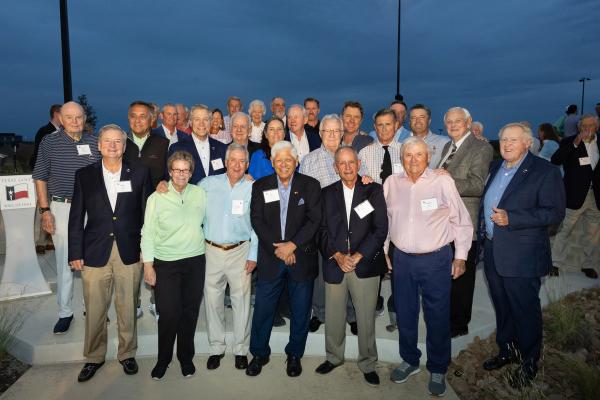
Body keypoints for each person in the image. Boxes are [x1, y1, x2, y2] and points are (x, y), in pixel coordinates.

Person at [385, 137, 473, 397]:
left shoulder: (442, 181)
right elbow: (386, 220)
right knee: (405, 312)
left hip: (436, 260)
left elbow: (461, 220)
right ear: (401, 158)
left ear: (428, 157)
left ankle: (437, 367)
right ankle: (410, 360)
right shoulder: (391, 183)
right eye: (408, 155)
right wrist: (384, 251)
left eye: (419, 155)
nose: (413, 160)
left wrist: (461, 256)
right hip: (402, 259)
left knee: (437, 315)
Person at [480, 123, 565, 389]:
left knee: (525, 310)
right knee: (502, 305)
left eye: (513, 140)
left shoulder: (545, 171)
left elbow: (554, 213)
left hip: (522, 255)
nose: (506, 144)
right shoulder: (496, 166)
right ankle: (508, 350)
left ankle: (529, 362)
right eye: (504, 139)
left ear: (528, 143)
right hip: (493, 250)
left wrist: (513, 218)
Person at [68, 124, 152, 382]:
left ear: (125, 146)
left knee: (128, 306)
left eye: (118, 141)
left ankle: (127, 353)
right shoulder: (85, 175)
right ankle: (94, 357)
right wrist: (75, 251)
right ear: (99, 145)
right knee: (95, 308)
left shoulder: (140, 173)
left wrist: (146, 250)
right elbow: (76, 217)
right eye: (107, 141)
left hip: (130, 250)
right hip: (94, 251)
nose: (113, 145)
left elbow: (148, 215)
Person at [246, 141, 321, 378]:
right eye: (279, 160)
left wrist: (292, 246)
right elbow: (257, 219)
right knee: (263, 309)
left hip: (301, 257)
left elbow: (314, 220)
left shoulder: (310, 185)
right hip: (271, 257)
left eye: (288, 159)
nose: (284, 164)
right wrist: (278, 248)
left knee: (300, 311)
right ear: (272, 163)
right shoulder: (260, 186)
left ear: (296, 161)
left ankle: (295, 355)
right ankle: (259, 353)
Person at [315, 146, 388, 386]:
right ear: (335, 168)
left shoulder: (373, 190)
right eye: (342, 163)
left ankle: (368, 363)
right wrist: (337, 256)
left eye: (351, 162)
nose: (347, 167)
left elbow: (380, 229)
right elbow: (321, 230)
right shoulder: (326, 194)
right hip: (335, 263)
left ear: (358, 164)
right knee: (334, 317)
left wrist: (357, 256)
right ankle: (333, 357)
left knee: (365, 318)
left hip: (364, 264)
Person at [33, 101, 101, 334]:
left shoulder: (95, 141)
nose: (75, 121)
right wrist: (45, 211)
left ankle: (91, 308)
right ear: (61, 119)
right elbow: (40, 177)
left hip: (92, 209)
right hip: (62, 207)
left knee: (93, 261)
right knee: (65, 261)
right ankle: (65, 312)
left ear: (85, 118)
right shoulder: (49, 142)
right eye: (69, 117)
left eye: (79, 117)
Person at [141, 151, 207, 380]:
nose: (181, 174)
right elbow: (147, 233)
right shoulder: (156, 197)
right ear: (169, 172)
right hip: (165, 263)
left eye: (185, 170)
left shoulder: (200, 194)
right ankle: (163, 359)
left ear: (191, 172)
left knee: (189, 313)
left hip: (195, 261)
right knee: (169, 314)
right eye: (177, 170)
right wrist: (148, 266)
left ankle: (185, 358)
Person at [300, 114, 367, 334]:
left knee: (350, 272)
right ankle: (319, 313)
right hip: (322, 228)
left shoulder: (352, 155)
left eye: (336, 131)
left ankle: (352, 315)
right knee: (321, 275)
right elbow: (303, 196)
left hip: (350, 227)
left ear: (341, 133)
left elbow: (364, 183)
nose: (332, 135)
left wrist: (366, 179)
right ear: (320, 133)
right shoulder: (309, 160)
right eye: (327, 131)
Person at [200, 143, 258, 371]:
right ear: (225, 162)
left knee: (241, 302)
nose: (236, 165)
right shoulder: (207, 184)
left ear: (247, 164)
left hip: (240, 251)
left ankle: (241, 349)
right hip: (211, 251)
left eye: (242, 161)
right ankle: (216, 347)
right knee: (212, 301)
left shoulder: (253, 188)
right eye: (232, 160)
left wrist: (253, 255)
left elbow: (257, 226)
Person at [438, 107, 493, 338]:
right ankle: (447, 317)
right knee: (448, 274)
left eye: (457, 121)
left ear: (468, 122)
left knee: (462, 276)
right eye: (449, 122)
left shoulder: (481, 147)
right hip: (444, 223)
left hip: (465, 222)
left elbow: (477, 185)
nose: (452, 125)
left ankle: (459, 325)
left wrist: (447, 180)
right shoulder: (447, 147)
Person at [550, 114, 599, 279]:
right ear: (579, 127)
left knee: (593, 234)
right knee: (564, 230)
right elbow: (556, 160)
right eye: (583, 126)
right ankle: (555, 263)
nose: (587, 129)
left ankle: (588, 265)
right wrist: (575, 144)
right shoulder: (569, 142)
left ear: (596, 127)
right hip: (574, 195)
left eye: (590, 125)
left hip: (595, 196)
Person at [168, 104, 227, 184]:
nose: (201, 123)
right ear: (190, 123)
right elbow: (170, 179)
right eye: (197, 119)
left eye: (205, 119)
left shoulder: (222, 148)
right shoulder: (177, 148)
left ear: (210, 122)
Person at [31, 104, 61, 254]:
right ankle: (40, 241)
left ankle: (50, 240)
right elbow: (39, 157)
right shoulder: (44, 131)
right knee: (43, 207)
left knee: (55, 208)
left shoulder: (62, 132)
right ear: (56, 114)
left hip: (58, 178)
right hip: (46, 177)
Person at [123, 101, 169, 188]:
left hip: (155, 195)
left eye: (142, 116)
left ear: (152, 120)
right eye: (133, 116)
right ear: (129, 119)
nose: (137, 121)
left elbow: (169, 174)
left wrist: (165, 182)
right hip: (126, 195)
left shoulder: (163, 144)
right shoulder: (120, 143)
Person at [407, 104, 450, 168]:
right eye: (413, 118)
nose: (418, 121)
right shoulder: (402, 144)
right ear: (409, 122)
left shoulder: (444, 142)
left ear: (429, 121)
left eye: (422, 117)